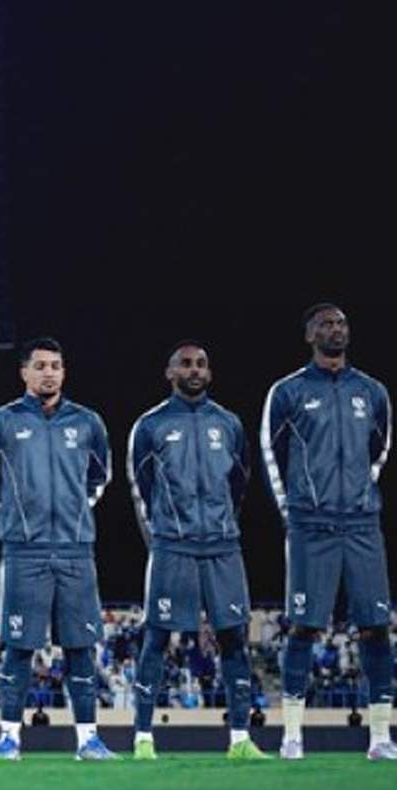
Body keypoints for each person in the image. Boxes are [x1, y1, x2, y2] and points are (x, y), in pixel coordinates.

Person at [262, 303, 395, 760]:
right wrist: (293, 507)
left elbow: (381, 448)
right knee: (302, 628)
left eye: (340, 323)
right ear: (309, 335)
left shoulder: (372, 391)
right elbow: (269, 451)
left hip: (360, 525)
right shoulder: (288, 392)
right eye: (325, 324)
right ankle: (292, 736)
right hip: (310, 527)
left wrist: (360, 492)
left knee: (376, 628)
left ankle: (380, 737)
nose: (335, 329)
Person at [0, 337, 115, 761]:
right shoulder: (2, 421)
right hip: (24, 551)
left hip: (75, 549)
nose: (49, 372)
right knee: (18, 648)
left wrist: (74, 514)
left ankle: (88, 739)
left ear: (64, 371)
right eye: (40, 365)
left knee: (79, 649)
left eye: (56, 365)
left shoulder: (88, 422)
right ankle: (8, 739)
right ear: (24, 373)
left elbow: (99, 476)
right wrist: (19, 517)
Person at [127, 342, 265, 760]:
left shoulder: (229, 424)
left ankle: (240, 739)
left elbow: (238, 482)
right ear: (169, 372)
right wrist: (164, 539)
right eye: (185, 364)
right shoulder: (150, 425)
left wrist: (221, 525)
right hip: (173, 548)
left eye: (201, 364)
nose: (194, 370)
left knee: (235, 640)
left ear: (210, 372)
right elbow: (141, 490)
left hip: (223, 547)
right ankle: (142, 738)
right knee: (157, 638)